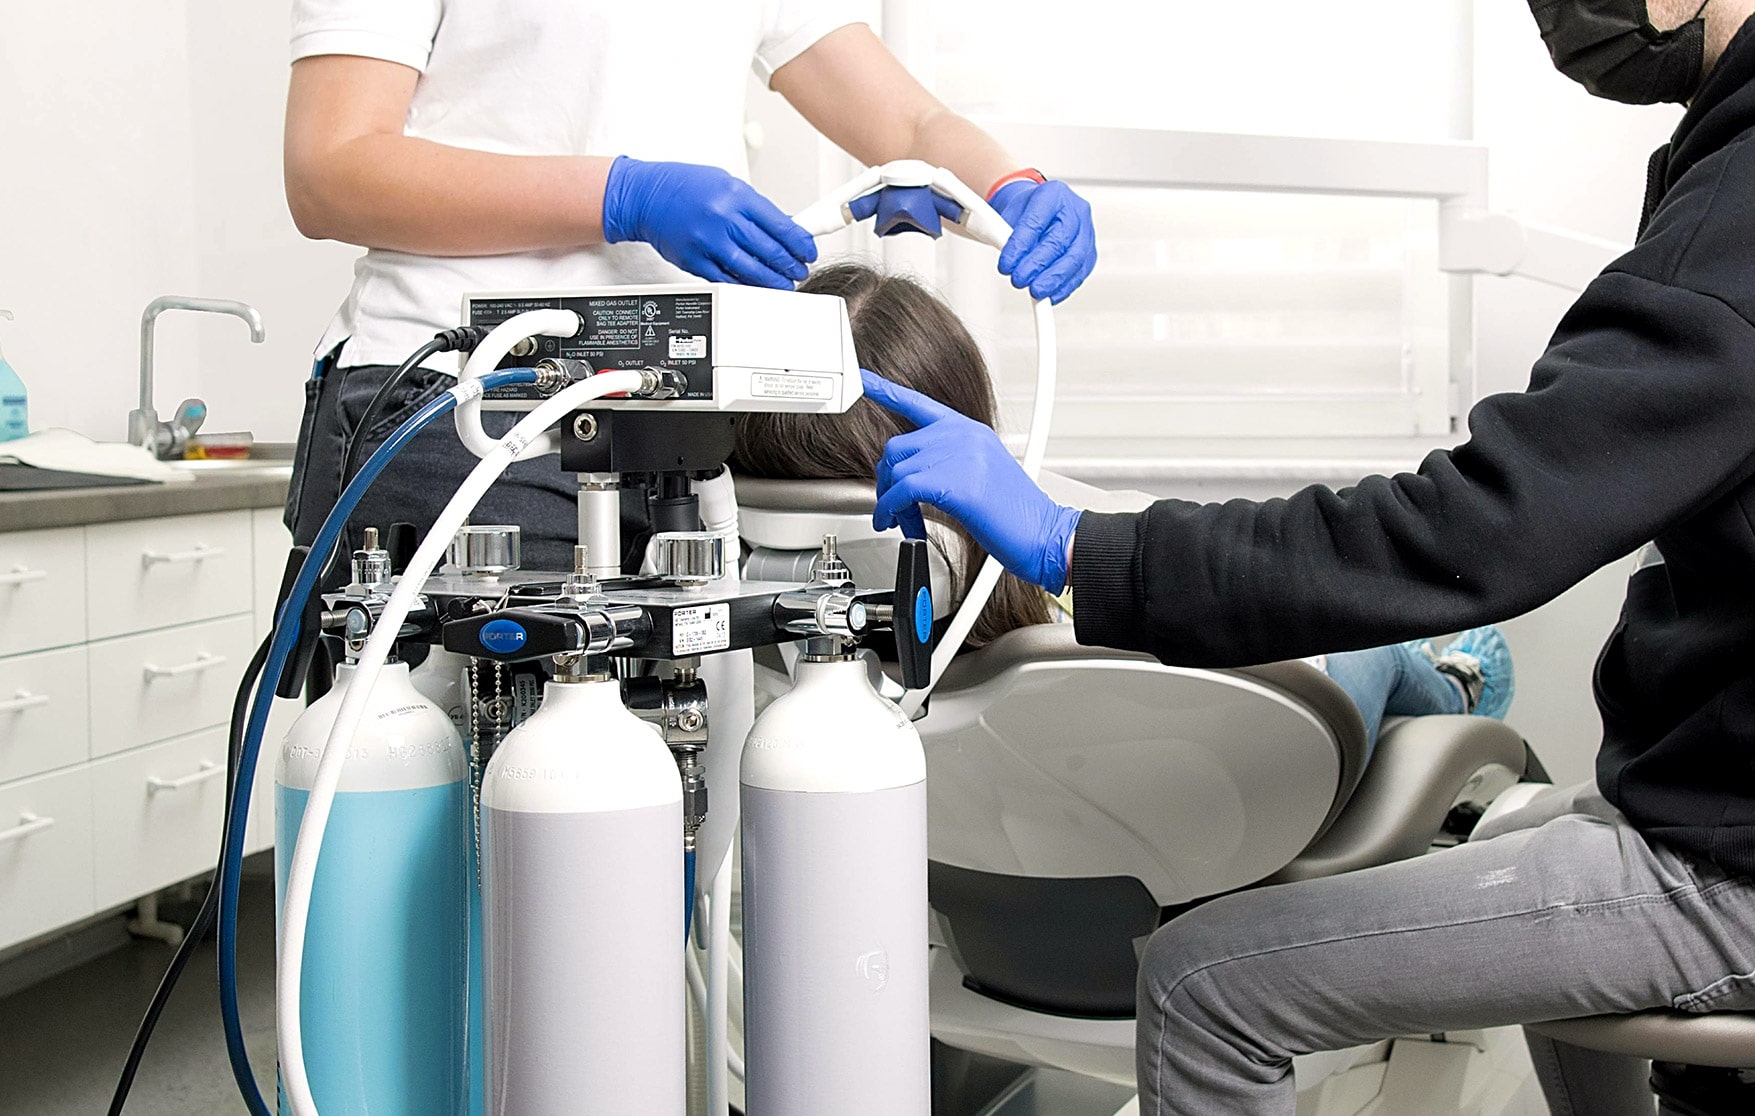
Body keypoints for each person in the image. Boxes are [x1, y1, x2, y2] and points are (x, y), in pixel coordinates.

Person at [858, 1, 1755, 1111]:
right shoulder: (1720, 180)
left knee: (1205, 985)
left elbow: (1482, 527)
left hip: (1728, 857)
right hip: (1697, 799)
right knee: (1518, 798)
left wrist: (1074, 546)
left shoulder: (1735, 209)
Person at [279, 1, 1099, 572]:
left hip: (674, 419)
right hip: (470, 403)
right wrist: (620, 196)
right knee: (505, 781)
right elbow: (330, 170)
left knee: (671, 781)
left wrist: (1009, 184)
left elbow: (910, 127)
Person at [737, 263, 1514, 751]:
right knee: (1372, 646)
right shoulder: (1064, 610)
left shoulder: (781, 665)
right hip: (1280, 752)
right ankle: (1460, 676)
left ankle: (1447, 674)